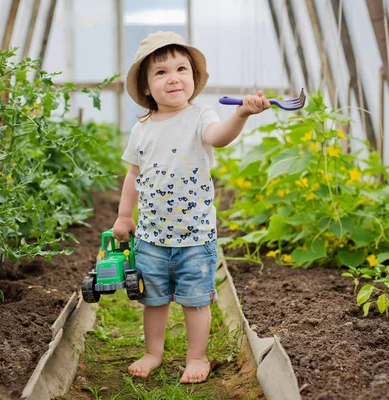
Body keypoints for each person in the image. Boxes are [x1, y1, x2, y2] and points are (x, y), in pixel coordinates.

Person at [112, 31, 270, 384]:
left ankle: (197, 357)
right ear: (147, 88)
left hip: (195, 236)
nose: (174, 78)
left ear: (194, 78)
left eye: (181, 68)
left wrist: (242, 114)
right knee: (154, 300)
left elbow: (219, 137)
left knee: (196, 299)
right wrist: (125, 215)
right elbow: (132, 175)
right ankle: (153, 352)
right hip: (151, 236)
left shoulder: (201, 116)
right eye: (161, 72)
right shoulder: (142, 129)